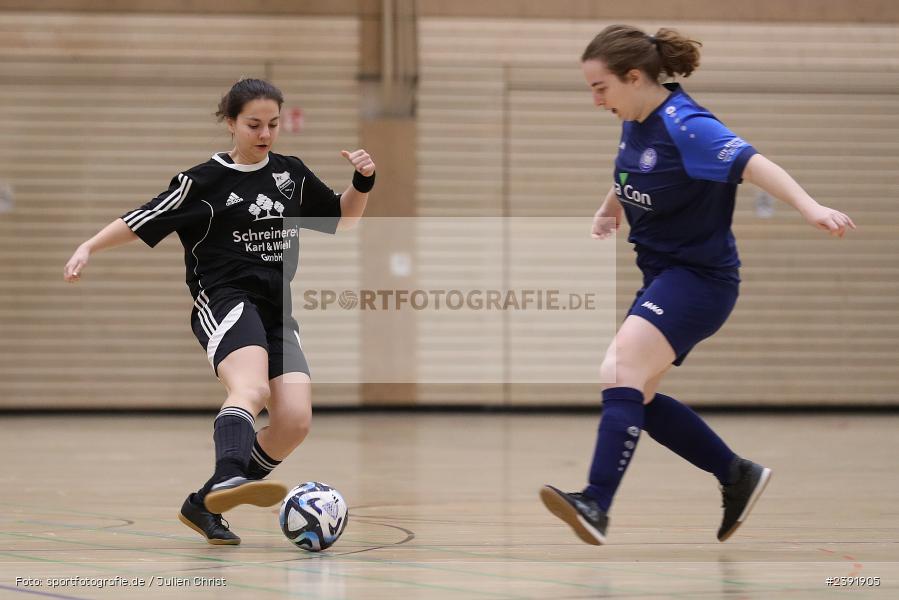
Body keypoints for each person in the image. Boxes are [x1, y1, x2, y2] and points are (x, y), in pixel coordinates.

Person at [540, 25, 855, 545]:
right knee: (635, 391)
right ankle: (737, 475)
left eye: (600, 88)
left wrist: (811, 207)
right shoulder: (637, 118)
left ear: (634, 77)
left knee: (618, 369)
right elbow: (635, 172)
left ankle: (596, 502)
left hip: (700, 280)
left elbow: (755, 164)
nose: (595, 100)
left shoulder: (689, 126)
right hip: (666, 275)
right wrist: (610, 206)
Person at [63, 78, 376, 545]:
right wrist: (88, 246)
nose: (264, 133)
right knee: (248, 387)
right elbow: (141, 218)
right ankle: (230, 476)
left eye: (272, 124)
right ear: (230, 123)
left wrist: (363, 181)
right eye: (253, 124)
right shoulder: (202, 181)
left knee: (294, 422)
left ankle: (203, 502)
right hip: (226, 299)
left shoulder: (289, 173)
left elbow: (343, 219)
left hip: (277, 309)